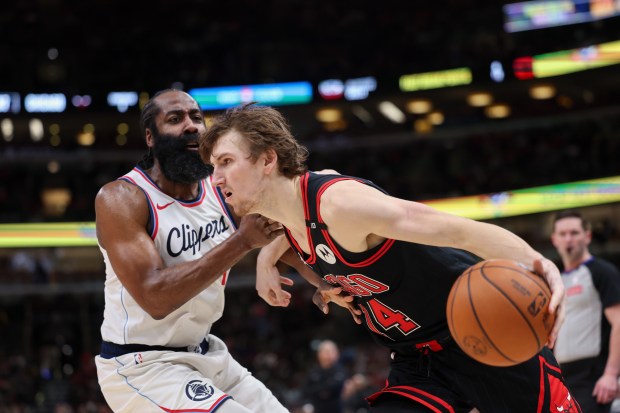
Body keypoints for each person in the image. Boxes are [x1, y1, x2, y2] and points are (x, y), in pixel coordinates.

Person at [198, 102, 580, 413]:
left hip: (477, 335)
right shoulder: (286, 217)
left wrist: (537, 262)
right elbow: (294, 230)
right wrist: (267, 261)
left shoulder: (339, 203)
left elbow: (454, 229)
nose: (215, 178)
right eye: (214, 166)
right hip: (416, 361)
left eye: (226, 162)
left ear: (267, 160)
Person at [94, 89, 301, 413]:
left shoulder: (219, 187)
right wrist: (243, 242)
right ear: (151, 137)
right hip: (142, 365)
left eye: (196, 117)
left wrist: (326, 282)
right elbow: (154, 297)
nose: (191, 126)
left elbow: (282, 231)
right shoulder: (122, 198)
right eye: (175, 119)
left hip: (207, 352)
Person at [550, 210, 620, 413]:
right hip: (563, 376)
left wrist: (610, 374)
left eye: (574, 232)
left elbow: (619, 322)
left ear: (587, 236)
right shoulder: (555, 279)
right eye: (562, 234)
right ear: (554, 240)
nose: (568, 239)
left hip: (594, 376)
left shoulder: (602, 272)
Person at [303, 339, 348, 413]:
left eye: (333, 351)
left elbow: (337, 386)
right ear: (319, 354)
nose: (330, 354)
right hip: (317, 409)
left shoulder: (341, 370)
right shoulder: (313, 371)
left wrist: (318, 389)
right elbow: (306, 390)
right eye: (327, 352)